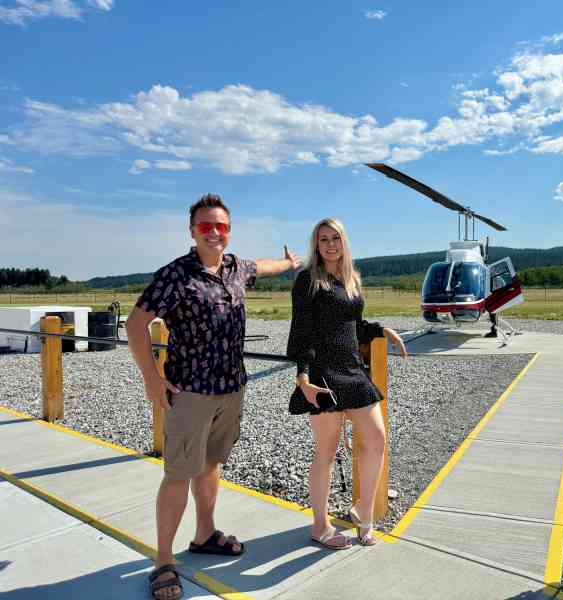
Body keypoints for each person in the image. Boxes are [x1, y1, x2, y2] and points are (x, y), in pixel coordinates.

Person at [126, 194, 301, 600]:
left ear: (229, 231)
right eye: (206, 226)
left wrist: (291, 263)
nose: (214, 232)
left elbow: (264, 266)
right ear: (192, 231)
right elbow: (136, 325)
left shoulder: (236, 269)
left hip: (231, 388)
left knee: (210, 465)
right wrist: (152, 380)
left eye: (221, 226)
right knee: (178, 473)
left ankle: (204, 534)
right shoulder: (175, 275)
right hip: (191, 392)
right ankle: (164, 561)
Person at [287, 217, 407, 550]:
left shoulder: (351, 278)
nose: (329, 244)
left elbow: (352, 325)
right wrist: (303, 377)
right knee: (325, 453)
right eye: (323, 239)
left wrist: (382, 330)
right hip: (323, 374)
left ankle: (363, 512)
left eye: (335, 238)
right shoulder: (307, 281)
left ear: (344, 242)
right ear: (316, 244)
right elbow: (301, 332)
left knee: (377, 439)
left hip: (353, 371)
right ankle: (320, 526)